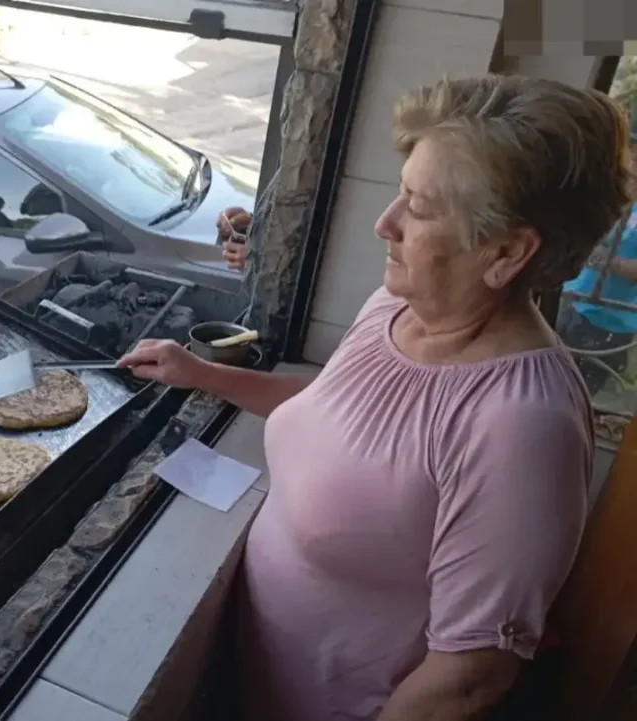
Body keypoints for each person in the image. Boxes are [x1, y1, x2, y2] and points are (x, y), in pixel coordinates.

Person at [119, 74, 630, 721]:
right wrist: (200, 372)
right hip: (260, 680)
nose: (383, 223)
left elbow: (469, 676)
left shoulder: (524, 425)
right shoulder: (393, 305)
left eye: (417, 208)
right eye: (400, 191)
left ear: (506, 251)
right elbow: (340, 417)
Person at [557, 133, 637, 397]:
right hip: (570, 299)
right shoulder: (614, 191)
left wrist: (599, 256)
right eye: (632, 149)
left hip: (607, 323)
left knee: (571, 400)